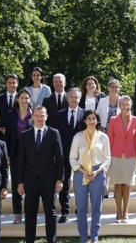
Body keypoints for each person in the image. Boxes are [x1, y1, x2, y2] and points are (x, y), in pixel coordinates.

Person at [17, 106, 65, 243]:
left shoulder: (54, 133)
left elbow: (60, 158)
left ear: (47, 116)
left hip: (49, 179)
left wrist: (60, 179)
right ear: (32, 117)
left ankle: (52, 240)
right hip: (30, 180)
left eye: (42, 115)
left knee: (51, 212)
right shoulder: (25, 135)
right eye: (36, 115)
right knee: (30, 213)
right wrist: (20, 182)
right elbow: (20, 160)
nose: (39, 118)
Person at [70, 110, 111, 243]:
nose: (91, 121)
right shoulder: (78, 137)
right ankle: (83, 238)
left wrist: (97, 171)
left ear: (98, 121)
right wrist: (83, 171)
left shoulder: (103, 137)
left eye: (94, 118)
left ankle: (94, 238)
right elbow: (72, 158)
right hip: (81, 172)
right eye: (89, 118)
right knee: (81, 208)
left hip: (97, 173)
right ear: (84, 121)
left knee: (96, 208)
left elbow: (107, 159)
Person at [107, 96, 136, 222]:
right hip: (115, 155)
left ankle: (126, 211)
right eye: (122, 104)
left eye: (127, 104)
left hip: (130, 156)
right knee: (117, 185)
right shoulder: (113, 120)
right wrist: (107, 158)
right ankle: (118, 212)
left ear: (131, 105)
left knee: (127, 185)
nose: (125, 107)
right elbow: (109, 140)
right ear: (119, 105)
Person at [4, 88, 34, 224]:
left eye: (26, 98)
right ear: (17, 99)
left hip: (30, 153)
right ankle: (17, 213)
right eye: (21, 98)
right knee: (17, 182)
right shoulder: (11, 115)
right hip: (15, 152)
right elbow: (8, 136)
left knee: (29, 183)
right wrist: (8, 154)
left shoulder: (34, 115)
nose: (24, 100)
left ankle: (28, 212)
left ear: (29, 100)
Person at [56, 88, 83, 223]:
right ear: (67, 99)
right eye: (71, 97)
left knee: (81, 184)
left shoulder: (85, 115)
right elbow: (56, 136)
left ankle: (80, 210)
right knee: (64, 183)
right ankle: (65, 212)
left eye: (76, 97)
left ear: (80, 98)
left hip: (81, 155)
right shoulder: (59, 115)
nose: (73, 99)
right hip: (63, 154)